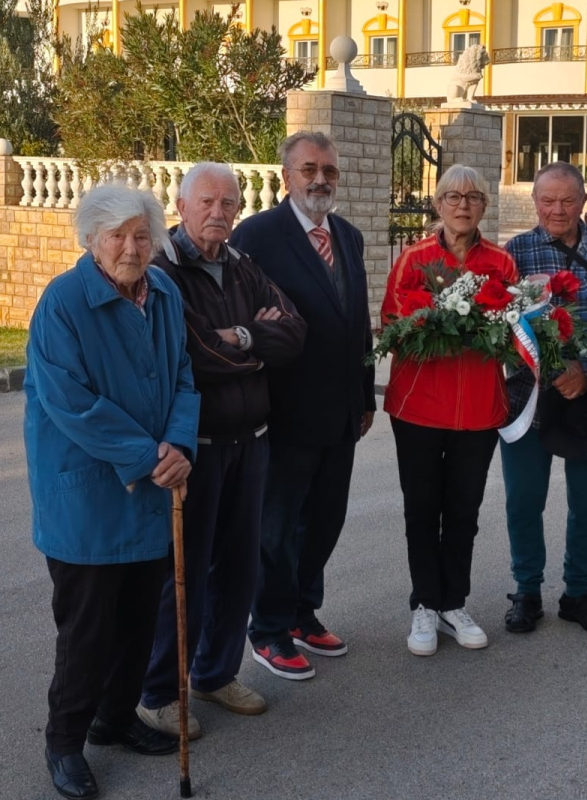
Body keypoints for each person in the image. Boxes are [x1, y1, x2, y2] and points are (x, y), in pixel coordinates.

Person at [25, 185, 199, 800]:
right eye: (117, 235)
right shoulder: (64, 302)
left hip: (153, 487)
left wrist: (180, 443)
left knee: (136, 624)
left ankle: (115, 717)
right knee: (88, 630)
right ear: (91, 241)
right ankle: (65, 741)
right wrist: (152, 455)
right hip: (88, 500)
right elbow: (70, 402)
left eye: (142, 234)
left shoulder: (166, 292)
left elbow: (182, 374)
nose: (131, 246)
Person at [137, 163, 306, 738]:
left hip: (250, 442)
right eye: (207, 201)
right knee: (183, 574)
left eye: (229, 203)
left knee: (239, 570)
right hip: (197, 448)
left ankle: (215, 673)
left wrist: (245, 338)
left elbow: (295, 331)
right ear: (181, 207)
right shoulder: (164, 271)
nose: (219, 212)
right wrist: (254, 345)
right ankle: (160, 690)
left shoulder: (243, 266)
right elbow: (195, 356)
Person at [229, 132, 376, 681]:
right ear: (286, 175)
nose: (321, 180)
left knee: (325, 521)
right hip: (283, 411)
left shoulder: (350, 236)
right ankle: (267, 629)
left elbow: (356, 321)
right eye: (309, 169)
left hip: (341, 412)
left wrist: (365, 395)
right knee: (277, 526)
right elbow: (241, 314)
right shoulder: (258, 236)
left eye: (330, 171)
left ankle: (302, 613)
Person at [380, 164, 518, 656]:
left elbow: (514, 331)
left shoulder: (501, 264)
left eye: (474, 197)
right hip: (418, 407)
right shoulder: (413, 259)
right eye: (453, 196)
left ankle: (453, 602)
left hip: (479, 411)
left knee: (463, 512)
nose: (463, 204)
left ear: (484, 207)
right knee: (421, 510)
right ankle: (424, 604)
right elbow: (392, 324)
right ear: (437, 205)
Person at [501, 162, 587, 636]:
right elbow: (501, 324)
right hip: (530, 397)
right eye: (547, 201)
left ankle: (578, 593)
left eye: (567, 200)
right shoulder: (516, 252)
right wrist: (545, 369)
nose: (557, 209)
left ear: (584, 202)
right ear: (535, 202)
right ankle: (526, 591)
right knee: (523, 500)